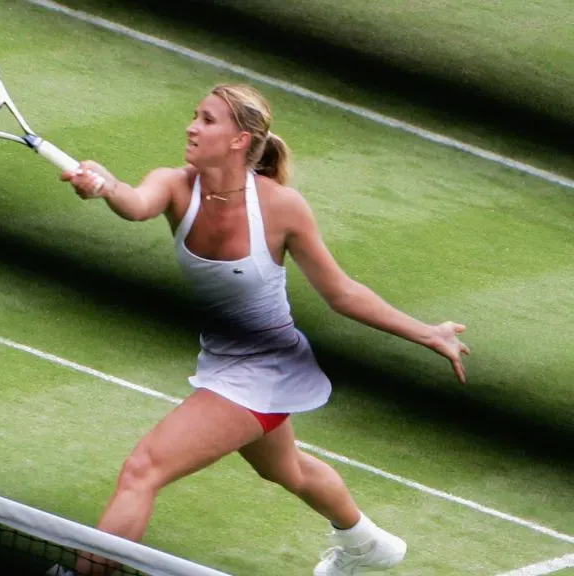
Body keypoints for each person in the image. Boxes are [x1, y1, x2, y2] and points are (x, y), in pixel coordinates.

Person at [44, 83, 471, 576]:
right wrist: (104, 185)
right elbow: (135, 202)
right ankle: (367, 543)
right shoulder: (176, 185)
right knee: (285, 468)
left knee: (144, 469)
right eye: (194, 115)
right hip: (223, 358)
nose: (191, 126)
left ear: (239, 140)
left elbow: (342, 293)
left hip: (267, 365)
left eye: (207, 120)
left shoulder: (280, 206)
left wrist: (427, 332)